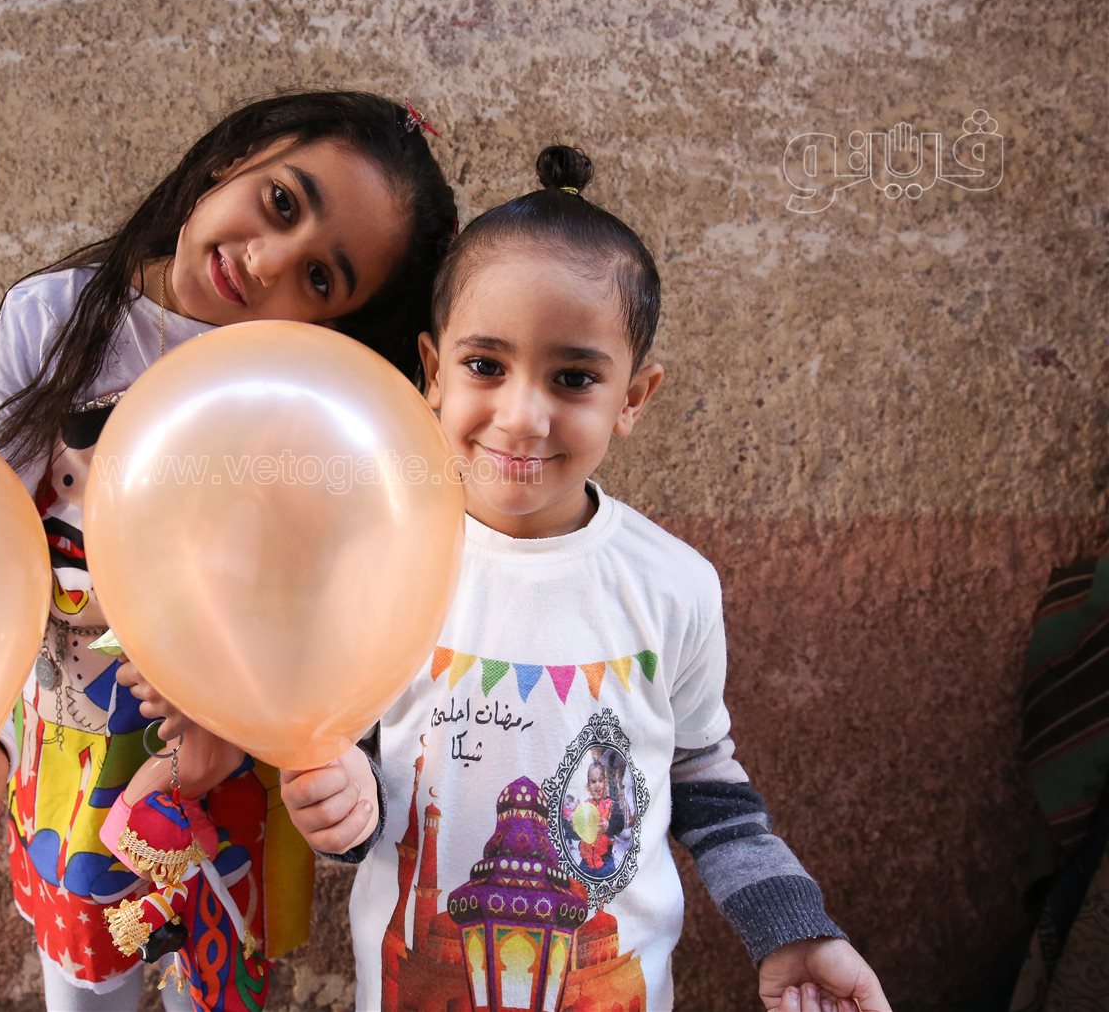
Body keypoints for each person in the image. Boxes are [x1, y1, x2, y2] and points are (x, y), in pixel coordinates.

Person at [281, 145, 892, 1012]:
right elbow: (367, 776)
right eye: (486, 366)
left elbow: (706, 783)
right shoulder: (381, 565)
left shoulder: (673, 587)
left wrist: (792, 928)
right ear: (432, 369)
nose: (523, 415)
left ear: (633, 397)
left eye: (572, 378)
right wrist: (341, 812)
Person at [0, 90, 455, 1011]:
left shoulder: (297, 393)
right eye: (281, 201)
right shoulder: (55, 316)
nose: (266, 260)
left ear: (335, 325)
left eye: (320, 279)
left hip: (230, 749)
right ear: (234, 156)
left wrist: (266, 717)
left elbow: (325, 600)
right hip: (75, 733)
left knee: (215, 976)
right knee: (86, 977)